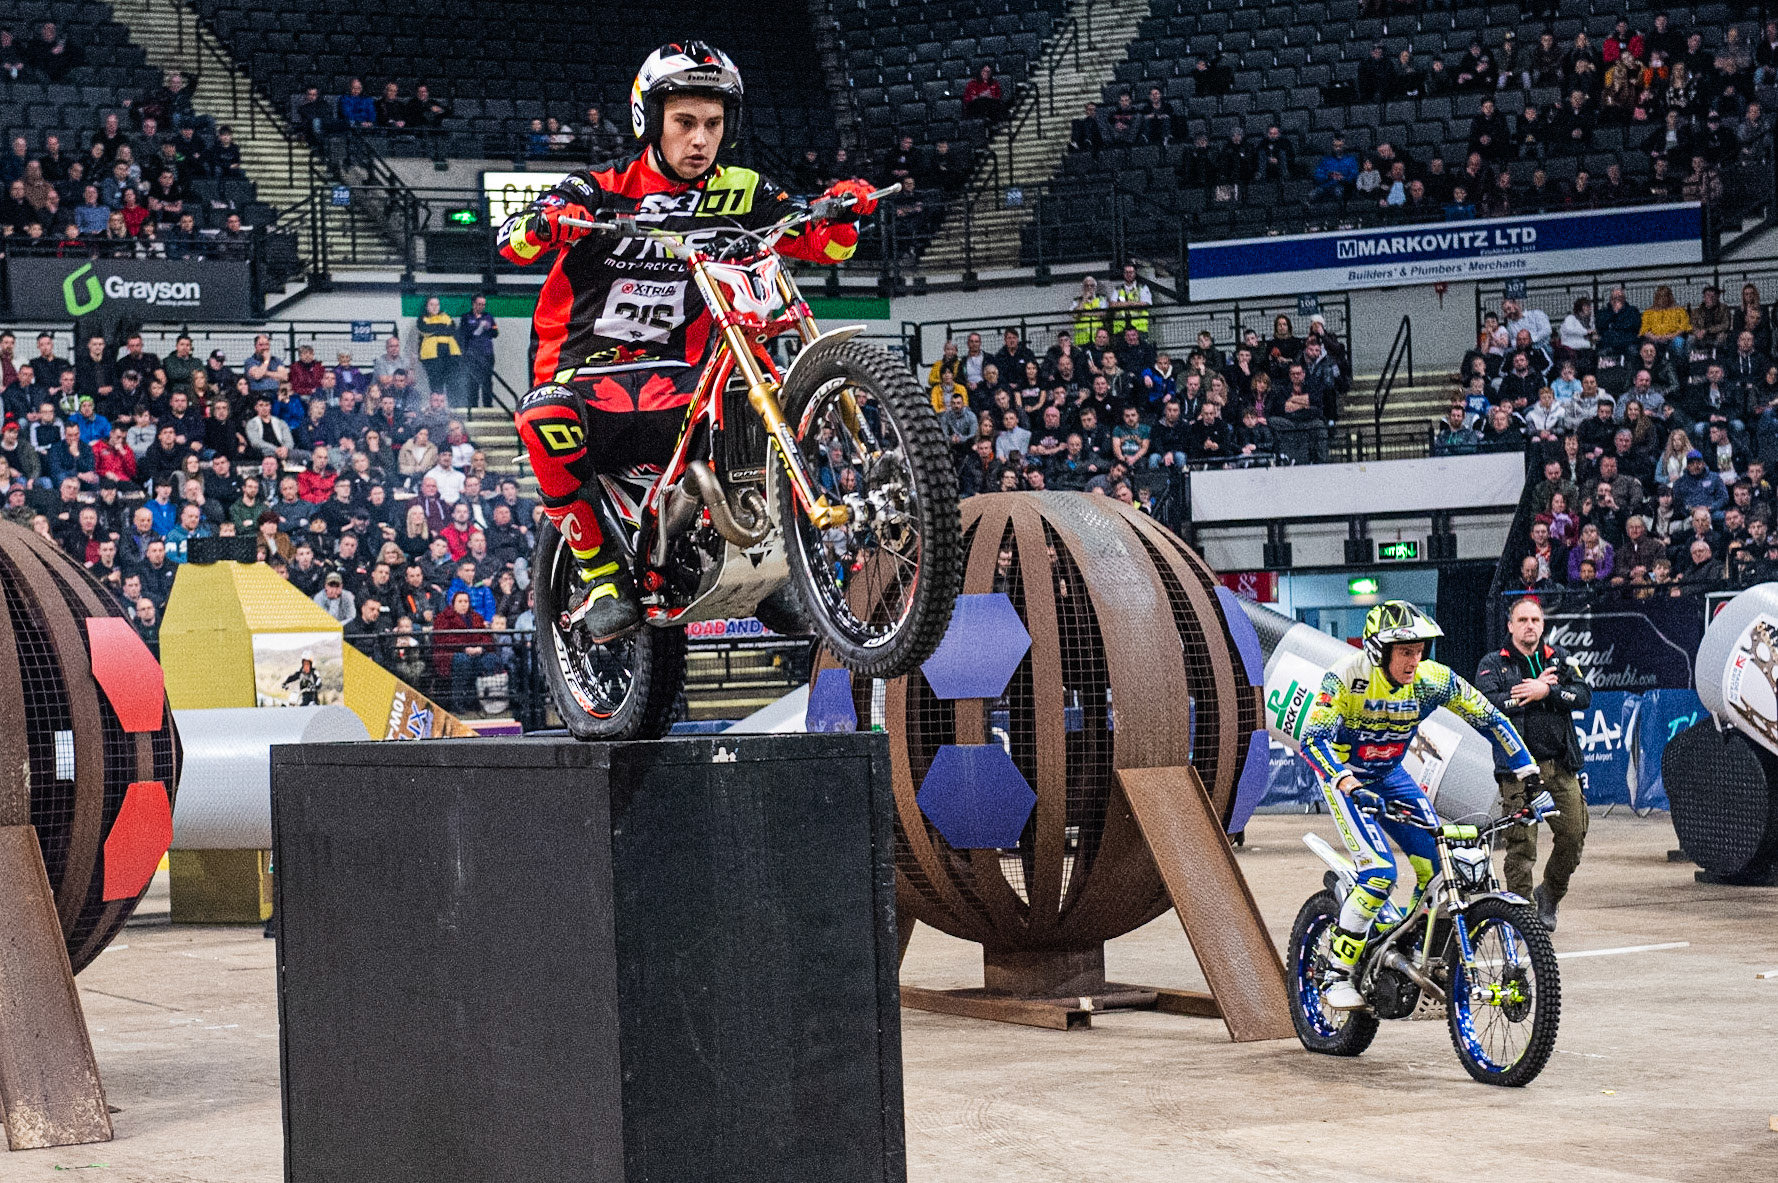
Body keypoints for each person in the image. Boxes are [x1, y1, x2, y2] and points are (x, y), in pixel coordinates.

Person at [498, 43, 871, 642]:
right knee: (544, 418)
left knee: (762, 393)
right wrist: (545, 221)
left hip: (687, 378)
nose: (700, 140)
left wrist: (841, 212)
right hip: (585, 374)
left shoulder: (744, 191)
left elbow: (823, 244)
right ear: (651, 120)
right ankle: (601, 578)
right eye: (685, 123)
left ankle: (775, 570)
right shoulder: (599, 187)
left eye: (713, 125)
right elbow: (510, 243)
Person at [1300, 601, 1540, 1010]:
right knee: (1378, 872)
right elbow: (1313, 738)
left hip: (1392, 776)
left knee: (1440, 866)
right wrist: (1345, 780)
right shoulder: (1344, 678)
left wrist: (1528, 770)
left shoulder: (1432, 680)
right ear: (1379, 651)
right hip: (1346, 777)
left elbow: (1491, 718)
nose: (1415, 660)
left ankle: (1408, 945)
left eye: (1419, 651)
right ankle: (1337, 974)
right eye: (1405, 652)